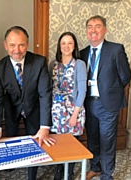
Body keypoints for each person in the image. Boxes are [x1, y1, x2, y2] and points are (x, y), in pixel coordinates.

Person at [0, 26, 56, 180]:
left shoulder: (39, 62)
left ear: (28, 44)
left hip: (33, 107)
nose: (17, 50)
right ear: (5, 45)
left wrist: (45, 126)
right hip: (12, 108)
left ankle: (32, 175)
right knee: (11, 137)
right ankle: (13, 167)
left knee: (35, 142)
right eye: (12, 45)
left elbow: (45, 94)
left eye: (21, 45)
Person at [80, 15, 131, 180]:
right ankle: (95, 167)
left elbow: (125, 76)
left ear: (105, 30)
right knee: (93, 137)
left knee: (107, 140)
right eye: (90, 26)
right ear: (86, 31)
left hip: (107, 104)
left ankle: (107, 174)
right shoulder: (83, 53)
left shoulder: (115, 49)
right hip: (89, 103)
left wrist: (110, 92)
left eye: (97, 26)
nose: (93, 30)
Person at [49, 32, 87, 180]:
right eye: (63, 43)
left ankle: (69, 173)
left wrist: (75, 115)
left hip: (73, 109)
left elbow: (82, 90)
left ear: (74, 45)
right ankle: (59, 171)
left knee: (71, 143)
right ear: (59, 45)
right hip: (56, 111)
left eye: (70, 43)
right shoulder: (53, 64)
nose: (66, 46)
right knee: (58, 142)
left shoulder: (79, 64)